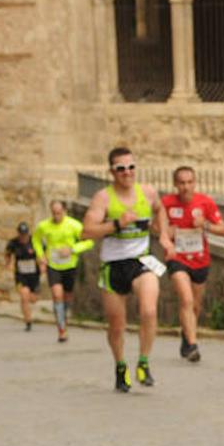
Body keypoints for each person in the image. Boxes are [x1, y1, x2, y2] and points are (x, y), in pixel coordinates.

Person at [82, 146, 173, 393]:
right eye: (121, 168)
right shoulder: (103, 198)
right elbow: (87, 230)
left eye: (131, 167)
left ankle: (143, 362)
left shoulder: (147, 192)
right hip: (113, 266)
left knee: (149, 309)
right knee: (116, 325)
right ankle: (121, 366)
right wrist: (115, 224)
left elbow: (160, 210)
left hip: (141, 260)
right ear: (112, 171)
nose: (127, 172)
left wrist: (164, 236)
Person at [162, 166, 224, 363]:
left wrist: (205, 225)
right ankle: (192, 345)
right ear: (175, 184)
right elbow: (156, 227)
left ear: (195, 183)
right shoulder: (166, 203)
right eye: (181, 183)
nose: (186, 187)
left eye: (189, 182)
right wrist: (167, 231)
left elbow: (223, 229)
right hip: (177, 258)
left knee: (196, 306)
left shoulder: (205, 202)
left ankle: (186, 336)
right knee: (186, 299)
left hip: (200, 258)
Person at [32, 200, 92, 343]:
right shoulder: (44, 226)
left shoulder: (74, 225)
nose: (56, 216)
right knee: (57, 294)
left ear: (64, 211)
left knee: (67, 297)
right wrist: (40, 255)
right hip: (53, 265)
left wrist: (72, 249)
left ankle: (63, 316)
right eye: (54, 213)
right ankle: (62, 329)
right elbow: (36, 240)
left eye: (59, 213)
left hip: (70, 265)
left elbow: (89, 242)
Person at [5, 222, 42, 331]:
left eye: (25, 234)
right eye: (21, 234)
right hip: (21, 275)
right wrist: (8, 263)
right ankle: (28, 321)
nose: (23, 237)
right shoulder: (13, 243)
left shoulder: (34, 242)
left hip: (34, 275)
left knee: (33, 299)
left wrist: (43, 263)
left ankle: (28, 312)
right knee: (24, 296)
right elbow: (8, 254)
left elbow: (43, 253)